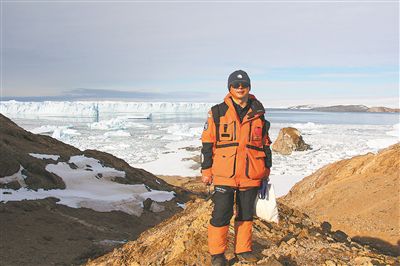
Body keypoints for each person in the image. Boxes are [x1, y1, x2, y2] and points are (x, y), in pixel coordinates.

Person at [201, 70, 272, 265]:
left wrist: (266, 169)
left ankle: (243, 250)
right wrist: (206, 170)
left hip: (251, 172)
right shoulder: (217, 112)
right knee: (221, 213)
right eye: (236, 85)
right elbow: (207, 143)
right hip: (225, 173)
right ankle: (217, 254)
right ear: (229, 88)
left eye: (244, 85)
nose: (240, 88)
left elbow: (265, 145)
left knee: (246, 214)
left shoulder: (259, 113)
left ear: (249, 87)